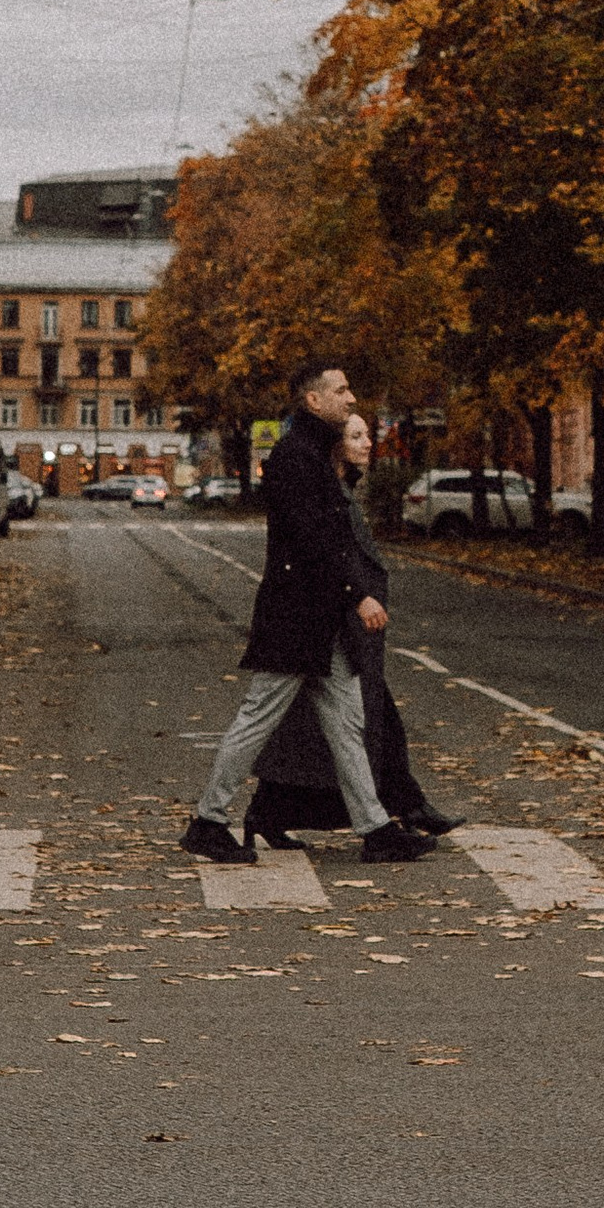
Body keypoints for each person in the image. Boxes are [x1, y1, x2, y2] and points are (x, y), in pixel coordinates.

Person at [180, 360, 437, 866]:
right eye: (342, 391)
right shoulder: (296, 457)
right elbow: (315, 539)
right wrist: (357, 594)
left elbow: (331, 536)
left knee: (348, 723)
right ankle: (208, 821)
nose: (352, 398)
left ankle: (376, 828)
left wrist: (350, 594)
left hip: (318, 622)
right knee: (256, 721)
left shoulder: (312, 452)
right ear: (313, 401)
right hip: (296, 620)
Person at [246, 414, 452, 846]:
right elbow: (328, 556)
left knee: (335, 728)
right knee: (294, 725)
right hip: (332, 626)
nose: (367, 444)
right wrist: (357, 597)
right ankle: (233, 814)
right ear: (336, 445)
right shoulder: (329, 491)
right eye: (356, 436)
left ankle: (385, 813)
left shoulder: (344, 489)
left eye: (367, 435)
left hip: (343, 626)